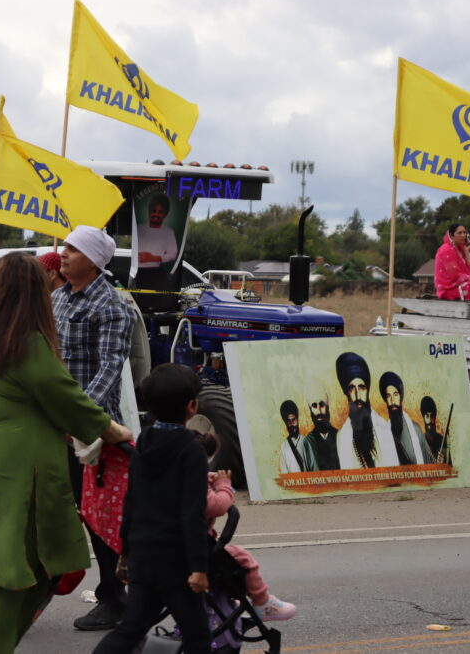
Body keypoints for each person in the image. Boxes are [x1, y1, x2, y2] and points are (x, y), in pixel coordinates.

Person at [0, 251, 131, 652]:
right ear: (36, 293)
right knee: (22, 576)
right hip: (20, 480)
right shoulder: (24, 344)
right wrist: (114, 430)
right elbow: (68, 398)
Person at [52, 225, 136, 631]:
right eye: (65, 246)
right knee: (44, 507)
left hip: (88, 433)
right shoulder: (57, 298)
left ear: (93, 259)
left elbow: (109, 369)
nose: (62, 253)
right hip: (51, 423)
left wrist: (80, 419)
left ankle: (112, 598)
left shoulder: (112, 305)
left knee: (95, 517)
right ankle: (19, 589)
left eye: (72, 248)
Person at [93, 363, 211, 654]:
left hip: (143, 555)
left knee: (130, 630)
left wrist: (124, 552)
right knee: (197, 637)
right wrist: (199, 567)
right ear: (192, 406)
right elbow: (191, 513)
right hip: (175, 560)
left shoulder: (143, 442)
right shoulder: (192, 450)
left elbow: (131, 499)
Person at [198, 431, 297, 621]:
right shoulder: (192, 479)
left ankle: (224, 598)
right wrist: (224, 485)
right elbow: (216, 505)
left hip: (170, 547)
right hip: (197, 546)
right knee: (243, 559)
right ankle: (263, 603)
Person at [334, 352, 398, 468]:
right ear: (346, 392)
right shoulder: (343, 437)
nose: (358, 396)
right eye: (352, 388)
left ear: (367, 389)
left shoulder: (383, 426)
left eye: (362, 387)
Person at [379, 372, 433, 465]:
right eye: (388, 396)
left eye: (395, 394)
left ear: (401, 397)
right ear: (386, 400)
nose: (392, 400)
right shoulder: (383, 434)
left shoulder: (415, 430)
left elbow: (430, 464)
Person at [434, 223, 470, 301]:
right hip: (449, 290)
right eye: (459, 233)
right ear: (451, 235)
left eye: (465, 232)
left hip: (460, 285)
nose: (463, 235)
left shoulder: (460, 250)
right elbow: (456, 276)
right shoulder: (446, 250)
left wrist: (466, 251)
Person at [136, 193, 178, 270]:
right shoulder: (138, 228)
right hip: (134, 270)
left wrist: (153, 258)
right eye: (154, 211)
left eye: (160, 212)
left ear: (165, 214)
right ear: (149, 212)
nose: (156, 214)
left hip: (156, 271)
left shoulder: (169, 232)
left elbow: (172, 255)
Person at [278, 400, 316, 473]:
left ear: (297, 420)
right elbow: (284, 472)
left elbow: (314, 467)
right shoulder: (284, 446)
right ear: (285, 423)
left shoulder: (305, 441)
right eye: (288, 421)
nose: (292, 424)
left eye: (293, 420)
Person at [305, 393, 340, 471]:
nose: (319, 410)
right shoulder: (308, 442)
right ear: (310, 410)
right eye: (314, 406)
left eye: (322, 404)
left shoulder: (340, 436)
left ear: (327, 408)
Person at [420, 396, 448, 463]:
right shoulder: (420, 442)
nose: (429, 420)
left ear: (435, 417)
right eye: (427, 416)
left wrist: (443, 464)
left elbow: (450, 469)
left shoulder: (442, 441)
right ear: (423, 417)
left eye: (432, 416)